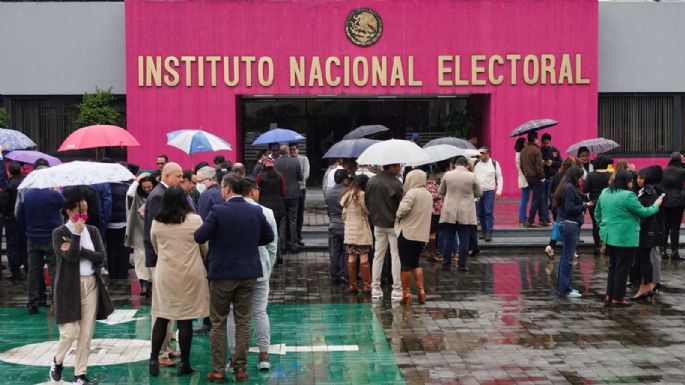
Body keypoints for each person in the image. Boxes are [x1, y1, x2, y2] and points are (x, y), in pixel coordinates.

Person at [194, 175, 274, 383]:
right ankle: (241, 368)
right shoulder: (255, 211)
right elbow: (268, 237)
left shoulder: (219, 211)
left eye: (222, 187)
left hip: (222, 273)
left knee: (219, 321)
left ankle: (219, 369)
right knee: (243, 320)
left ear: (228, 189)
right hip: (248, 273)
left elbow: (199, 236)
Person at [49, 195, 114, 385]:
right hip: (68, 287)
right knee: (70, 332)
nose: (84, 214)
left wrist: (81, 251)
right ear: (69, 212)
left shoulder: (93, 231)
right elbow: (69, 257)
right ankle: (57, 361)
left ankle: (80, 374)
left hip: (91, 284)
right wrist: (76, 235)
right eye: (80, 211)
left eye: (86, 210)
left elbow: (100, 256)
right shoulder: (59, 233)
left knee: (86, 333)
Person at [149, 187, 209, 377]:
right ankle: (185, 362)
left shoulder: (157, 222)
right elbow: (204, 247)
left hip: (165, 273)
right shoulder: (195, 220)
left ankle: (153, 360)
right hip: (190, 273)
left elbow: (155, 246)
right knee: (186, 320)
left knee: (162, 316)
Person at [227, 177, 278, 371]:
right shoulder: (266, 212)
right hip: (259, 270)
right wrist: (268, 268)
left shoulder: (226, 210)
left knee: (233, 314)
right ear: (253, 191)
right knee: (259, 312)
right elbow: (273, 245)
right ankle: (264, 356)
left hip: (234, 270)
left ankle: (234, 358)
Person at [595, 171, 662, 307]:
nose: (633, 183)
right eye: (631, 181)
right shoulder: (628, 195)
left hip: (609, 236)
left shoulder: (605, 192)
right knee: (622, 268)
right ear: (626, 182)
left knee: (613, 266)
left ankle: (610, 295)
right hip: (625, 237)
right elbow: (644, 212)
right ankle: (618, 298)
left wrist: (603, 226)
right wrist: (656, 205)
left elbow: (597, 213)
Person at [143, 162, 184, 367]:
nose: (181, 180)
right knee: (161, 310)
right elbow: (155, 233)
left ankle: (166, 349)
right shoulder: (158, 196)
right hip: (160, 260)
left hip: (164, 259)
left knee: (168, 308)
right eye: (178, 176)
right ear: (166, 176)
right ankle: (160, 353)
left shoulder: (162, 193)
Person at [17, 180, 65, 314]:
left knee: (33, 271)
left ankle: (33, 303)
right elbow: (64, 204)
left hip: (33, 238)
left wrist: (27, 230)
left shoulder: (27, 195)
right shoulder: (53, 194)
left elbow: (19, 216)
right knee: (55, 270)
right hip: (51, 237)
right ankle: (56, 303)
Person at [365, 163, 404, 300]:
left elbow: (367, 201)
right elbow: (402, 204)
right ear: (392, 167)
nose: (399, 167)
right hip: (393, 224)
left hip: (378, 223)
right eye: (398, 165)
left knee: (378, 255)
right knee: (395, 255)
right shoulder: (396, 184)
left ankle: (375, 287)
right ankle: (397, 289)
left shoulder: (372, 181)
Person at [438, 156, 482, 271]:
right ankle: (462, 265)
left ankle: (446, 263)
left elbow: (441, 191)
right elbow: (479, 193)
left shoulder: (448, 175)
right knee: (464, 239)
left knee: (449, 238)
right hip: (465, 212)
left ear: (455, 164)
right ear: (466, 165)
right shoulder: (472, 176)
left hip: (450, 211)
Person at [395, 169, 432, 304]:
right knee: (416, 262)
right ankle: (421, 292)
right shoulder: (428, 194)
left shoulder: (411, 193)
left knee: (405, 264)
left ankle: (406, 294)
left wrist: (398, 215)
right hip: (421, 235)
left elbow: (401, 211)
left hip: (407, 233)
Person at [551, 166, 589, 298]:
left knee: (565, 258)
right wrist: (585, 206)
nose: (581, 180)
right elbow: (570, 208)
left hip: (567, 224)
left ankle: (562, 287)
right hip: (570, 225)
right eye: (580, 177)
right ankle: (565, 289)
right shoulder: (569, 188)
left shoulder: (565, 187)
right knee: (567, 259)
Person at [633, 166, 664, 300]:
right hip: (644, 230)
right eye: (638, 178)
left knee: (645, 258)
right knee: (643, 258)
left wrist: (638, 227)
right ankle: (645, 285)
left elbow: (648, 214)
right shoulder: (642, 191)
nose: (639, 180)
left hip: (646, 231)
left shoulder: (650, 192)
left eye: (641, 178)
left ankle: (647, 285)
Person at [125, 173, 157, 297]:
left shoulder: (158, 196)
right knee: (140, 257)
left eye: (149, 187)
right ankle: (144, 283)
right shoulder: (137, 196)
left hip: (154, 232)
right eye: (144, 187)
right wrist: (137, 180)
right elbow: (129, 194)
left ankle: (152, 282)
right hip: (139, 231)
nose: (147, 190)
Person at [340, 174, 372, 294]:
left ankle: (352, 284)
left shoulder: (348, 194)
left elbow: (344, 214)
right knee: (364, 257)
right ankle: (367, 285)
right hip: (360, 230)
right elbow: (366, 210)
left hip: (349, 231)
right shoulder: (362, 195)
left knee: (351, 257)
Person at [544, 158, 576, 258]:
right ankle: (553, 246)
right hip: (563, 206)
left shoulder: (556, 176)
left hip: (555, 206)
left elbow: (551, 192)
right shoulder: (568, 178)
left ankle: (552, 247)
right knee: (564, 227)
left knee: (558, 226)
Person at [274, 144, 303, 253]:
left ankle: (283, 245)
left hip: (281, 194)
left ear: (280, 152)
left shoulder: (275, 162)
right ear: (288, 152)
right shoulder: (295, 161)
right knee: (293, 219)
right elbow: (300, 177)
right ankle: (294, 245)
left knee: (282, 219)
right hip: (294, 194)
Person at [582, 154, 613, 255]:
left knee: (596, 224)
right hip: (608, 202)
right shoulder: (610, 175)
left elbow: (585, 189)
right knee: (608, 223)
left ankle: (597, 246)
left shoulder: (590, 175)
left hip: (594, 202)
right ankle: (607, 246)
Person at [256, 158, 286, 262]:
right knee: (277, 230)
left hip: (264, 206)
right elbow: (283, 192)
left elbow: (256, 190)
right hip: (278, 207)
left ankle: (267, 254)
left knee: (265, 229)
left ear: (263, 166)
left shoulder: (260, 176)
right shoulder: (279, 176)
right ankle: (279, 254)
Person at [325, 169, 350, 284]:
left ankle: (334, 274)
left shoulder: (328, 192)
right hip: (345, 224)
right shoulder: (348, 192)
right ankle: (344, 274)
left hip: (333, 224)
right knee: (346, 252)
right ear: (345, 179)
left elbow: (328, 209)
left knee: (334, 252)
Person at [474, 146, 503, 241]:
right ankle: (483, 230)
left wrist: (499, 190)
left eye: (482, 153)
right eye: (479, 153)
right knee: (480, 213)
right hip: (478, 192)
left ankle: (489, 233)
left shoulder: (494, 163)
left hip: (489, 191)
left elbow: (499, 177)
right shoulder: (475, 163)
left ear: (488, 154)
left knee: (488, 212)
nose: (480, 155)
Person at [4, 162, 27, 280]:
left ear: (9, 172)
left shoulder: (9, 185)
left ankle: (15, 272)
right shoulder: (26, 183)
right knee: (24, 244)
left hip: (11, 219)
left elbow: (5, 203)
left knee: (12, 246)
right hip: (24, 218)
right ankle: (27, 267)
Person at [661, 152, 685, 260]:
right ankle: (675, 252)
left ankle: (663, 251)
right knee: (675, 228)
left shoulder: (663, 171)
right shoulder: (682, 171)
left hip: (665, 200)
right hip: (678, 201)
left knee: (665, 226)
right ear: (679, 160)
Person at [424, 160, 449, 261]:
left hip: (437, 211)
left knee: (435, 233)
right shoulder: (430, 184)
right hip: (433, 212)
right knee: (432, 233)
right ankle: (432, 254)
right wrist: (441, 194)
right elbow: (431, 195)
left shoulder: (436, 184)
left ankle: (433, 252)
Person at [520, 132, 546, 227]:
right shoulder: (536, 150)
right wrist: (542, 177)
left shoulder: (523, 151)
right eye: (537, 139)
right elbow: (539, 167)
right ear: (535, 139)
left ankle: (542, 219)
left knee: (537, 198)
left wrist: (526, 175)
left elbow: (522, 166)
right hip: (536, 177)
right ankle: (531, 220)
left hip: (528, 177)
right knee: (537, 199)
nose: (539, 141)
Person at [106, 181, 130, 279]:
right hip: (123, 222)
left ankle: (112, 273)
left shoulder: (106, 187)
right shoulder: (126, 187)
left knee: (111, 249)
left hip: (109, 223)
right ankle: (123, 273)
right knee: (124, 250)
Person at [290, 143, 310, 247]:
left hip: (301, 189)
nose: (292, 151)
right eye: (291, 150)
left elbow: (307, 172)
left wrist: (300, 180)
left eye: (294, 149)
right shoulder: (288, 160)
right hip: (291, 191)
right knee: (293, 215)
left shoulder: (303, 159)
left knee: (300, 214)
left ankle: (299, 236)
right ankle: (293, 238)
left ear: (298, 150)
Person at [540, 133, 563, 223]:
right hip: (542, 178)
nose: (546, 145)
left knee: (552, 198)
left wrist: (552, 163)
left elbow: (560, 163)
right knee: (543, 199)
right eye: (544, 143)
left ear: (550, 142)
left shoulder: (555, 151)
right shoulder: (539, 151)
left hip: (553, 178)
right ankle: (545, 218)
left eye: (547, 143)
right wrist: (541, 163)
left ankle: (555, 216)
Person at [515, 138, 530, 227]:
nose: (526, 144)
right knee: (524, 199)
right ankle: (522, 218)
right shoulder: (520, 154)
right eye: (525, 143)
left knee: (525, 199)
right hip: (525, 178)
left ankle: (523, 217)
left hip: (523, 178)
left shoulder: (518, 153)